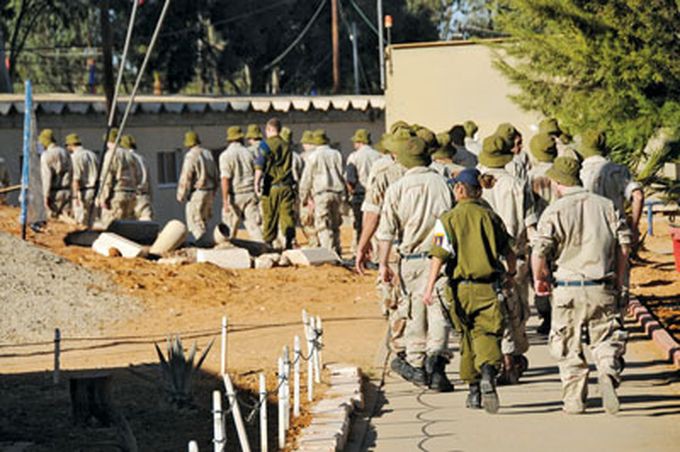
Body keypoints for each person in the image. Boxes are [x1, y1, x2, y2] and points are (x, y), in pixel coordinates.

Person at [531, 156, 630, 415]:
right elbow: (624, 246)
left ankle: (574, 400)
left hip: (567, 285)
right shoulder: (607, 206)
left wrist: (539, 278)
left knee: (568, 344)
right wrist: (619, 280)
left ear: (556, 182)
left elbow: (540, 250)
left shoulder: (554, 210)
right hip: (602, 283)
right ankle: (607, 369)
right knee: (606, 336)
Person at [424, 168, 516, 412]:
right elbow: (509, 251)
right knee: (488, 334)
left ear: (460, 189)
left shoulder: (447, 219)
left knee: (466, 337)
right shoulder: (490, 217)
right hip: (488, 286)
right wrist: (511, 275)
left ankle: (473, 391)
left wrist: (429, 286)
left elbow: (438, 256)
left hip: (460, 289)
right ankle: (488, 374)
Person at [377, 133, 455, 392]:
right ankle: (437, 359)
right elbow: (448, 223)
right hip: (438, 254)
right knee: (438, 309)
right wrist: (442, 251)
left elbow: (386, 231)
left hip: (409, 258)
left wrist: (383, 264)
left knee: (413, 311)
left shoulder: (397, 188)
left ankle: (416, 363)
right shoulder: (442, 184)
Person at [478, 133, 536, 384]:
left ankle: (500, 359)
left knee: (493, 310)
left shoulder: (473, 183)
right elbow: (530, 223)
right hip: (515, 255)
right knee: (516, 311)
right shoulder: (517, 184)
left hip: (482, 257)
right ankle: (511, 359)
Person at [356, 128, 407, 351]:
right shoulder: (430, 171)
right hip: (420, 245)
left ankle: (402, 346)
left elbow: (372, 213)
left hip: (391, 243)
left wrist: (362, 244)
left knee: (392, 296)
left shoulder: (383, 169)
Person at [577, 130, 644, 248]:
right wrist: (634, 227)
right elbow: (638, 196)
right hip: (617, 234)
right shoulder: (619, 171)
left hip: (587, 236)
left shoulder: (579, 173)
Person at [527, 132, 558, 334]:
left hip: (538, 231)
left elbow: (528, 207)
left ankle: (546, 316)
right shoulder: (559, 173)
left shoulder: (530, 176)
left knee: (539, 275)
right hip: (561, 230)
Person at [299, 129, 345, 255]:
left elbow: (307, 179)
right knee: (335, 224)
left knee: (323, 225)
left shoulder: (313, 156)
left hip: (321, 194)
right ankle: (337, 251)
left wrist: (304, 197)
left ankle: (329, 253)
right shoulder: (336, 154)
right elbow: (342, 174)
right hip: (337, 192)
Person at [254, 118, 296, 249]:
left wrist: (256, 182)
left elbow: (260, 165)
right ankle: (289, 241)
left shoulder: (265, 145)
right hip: (287, 186)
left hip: (270, 185)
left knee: (269, 216)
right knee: (287, 215)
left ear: (269, 129)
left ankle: (268, 244)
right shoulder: (287, 145)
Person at [219, 126, 263, 242]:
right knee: (254, 227)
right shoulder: (249, 153)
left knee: (229, 229)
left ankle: (228, 255)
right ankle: (263, 251)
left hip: (235, 195)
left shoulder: (225, 156)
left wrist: (225, 200)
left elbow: (225, 179)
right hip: (250, 194)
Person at [177, 131, 219, 245]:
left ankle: (203, 247)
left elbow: (186, 176)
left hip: (198, 193)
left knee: (195, 222)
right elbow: (216, 174)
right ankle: (209, 243)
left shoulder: (191, 155)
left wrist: (181, 194)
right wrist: (214, 190)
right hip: (209, 191)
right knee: (205, 221)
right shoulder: (208, 153)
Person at [345, 128, 381, 254]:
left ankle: (362, 253)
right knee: (377, 226)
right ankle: (377, 254)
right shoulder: (379, 155)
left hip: (360, 195)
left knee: (361, 226)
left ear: (359, 142)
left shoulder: (354, 157)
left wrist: (351, 192)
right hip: (377, 194)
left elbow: (351, 179)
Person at [97, 128, 139, 227]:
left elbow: (107, 177)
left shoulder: (111, 154)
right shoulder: (130, 155)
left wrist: (103, 198)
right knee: (128, 227)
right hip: (131, 193)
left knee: (113, 226)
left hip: (117, 195)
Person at [39, 129, 72, 220]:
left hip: (54, 193)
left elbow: (46, 177)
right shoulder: (65, 152)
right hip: (67, 191)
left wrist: (45, 196)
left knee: (53, 222)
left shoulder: (46, 155)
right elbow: (72, 171)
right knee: (66, 220)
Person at [65, 133, 98, 226]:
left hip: (84, 191)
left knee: (81, 221)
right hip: (95, 189)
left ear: (71, 145)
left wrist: (75, 197)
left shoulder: (75, 157)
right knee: (93, 220)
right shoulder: (92, 154)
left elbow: (76, 178)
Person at [120, 135, 153, 221]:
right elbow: (149, 180)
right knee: (146, 227)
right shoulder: (142, 158)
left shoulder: (126, 159)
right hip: (144, 196)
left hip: (131, 196)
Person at [298, 130, 319, 246]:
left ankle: (314, 244)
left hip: (309, 193)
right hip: (321, 193)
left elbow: (305, 180)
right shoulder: (323, 154)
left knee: (307, 221)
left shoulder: (303, 157)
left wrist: (305, 198)